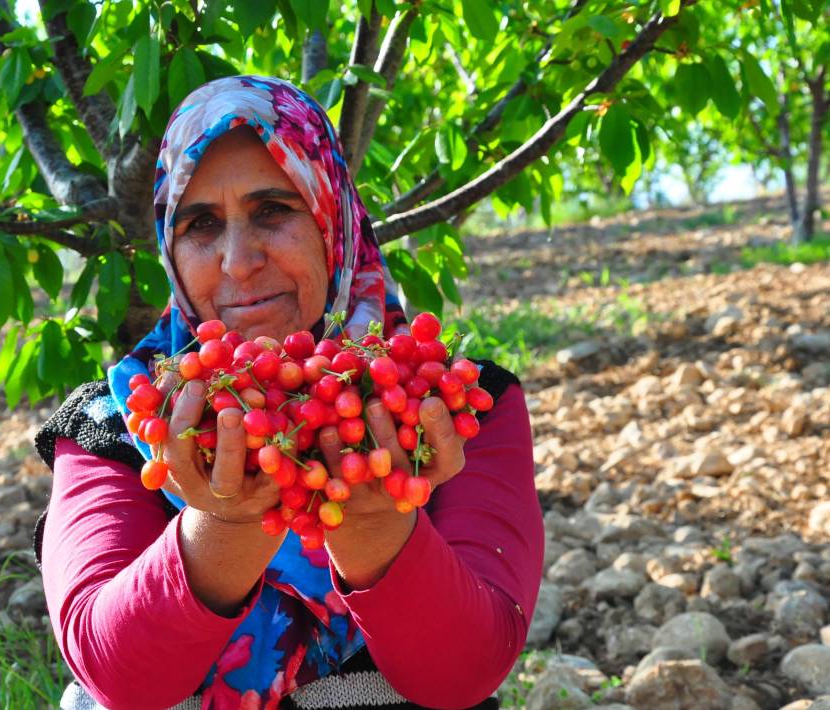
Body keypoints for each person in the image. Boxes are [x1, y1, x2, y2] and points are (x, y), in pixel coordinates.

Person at [32, 75, 544, 710]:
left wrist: (378, 528)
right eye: (200, 224)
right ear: (168, 245)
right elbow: (116, 676)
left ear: (331, 216)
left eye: (273, 210)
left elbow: (465, 671)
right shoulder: (124, 421)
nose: (237, 260)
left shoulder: (449, 404)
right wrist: (225, 524)